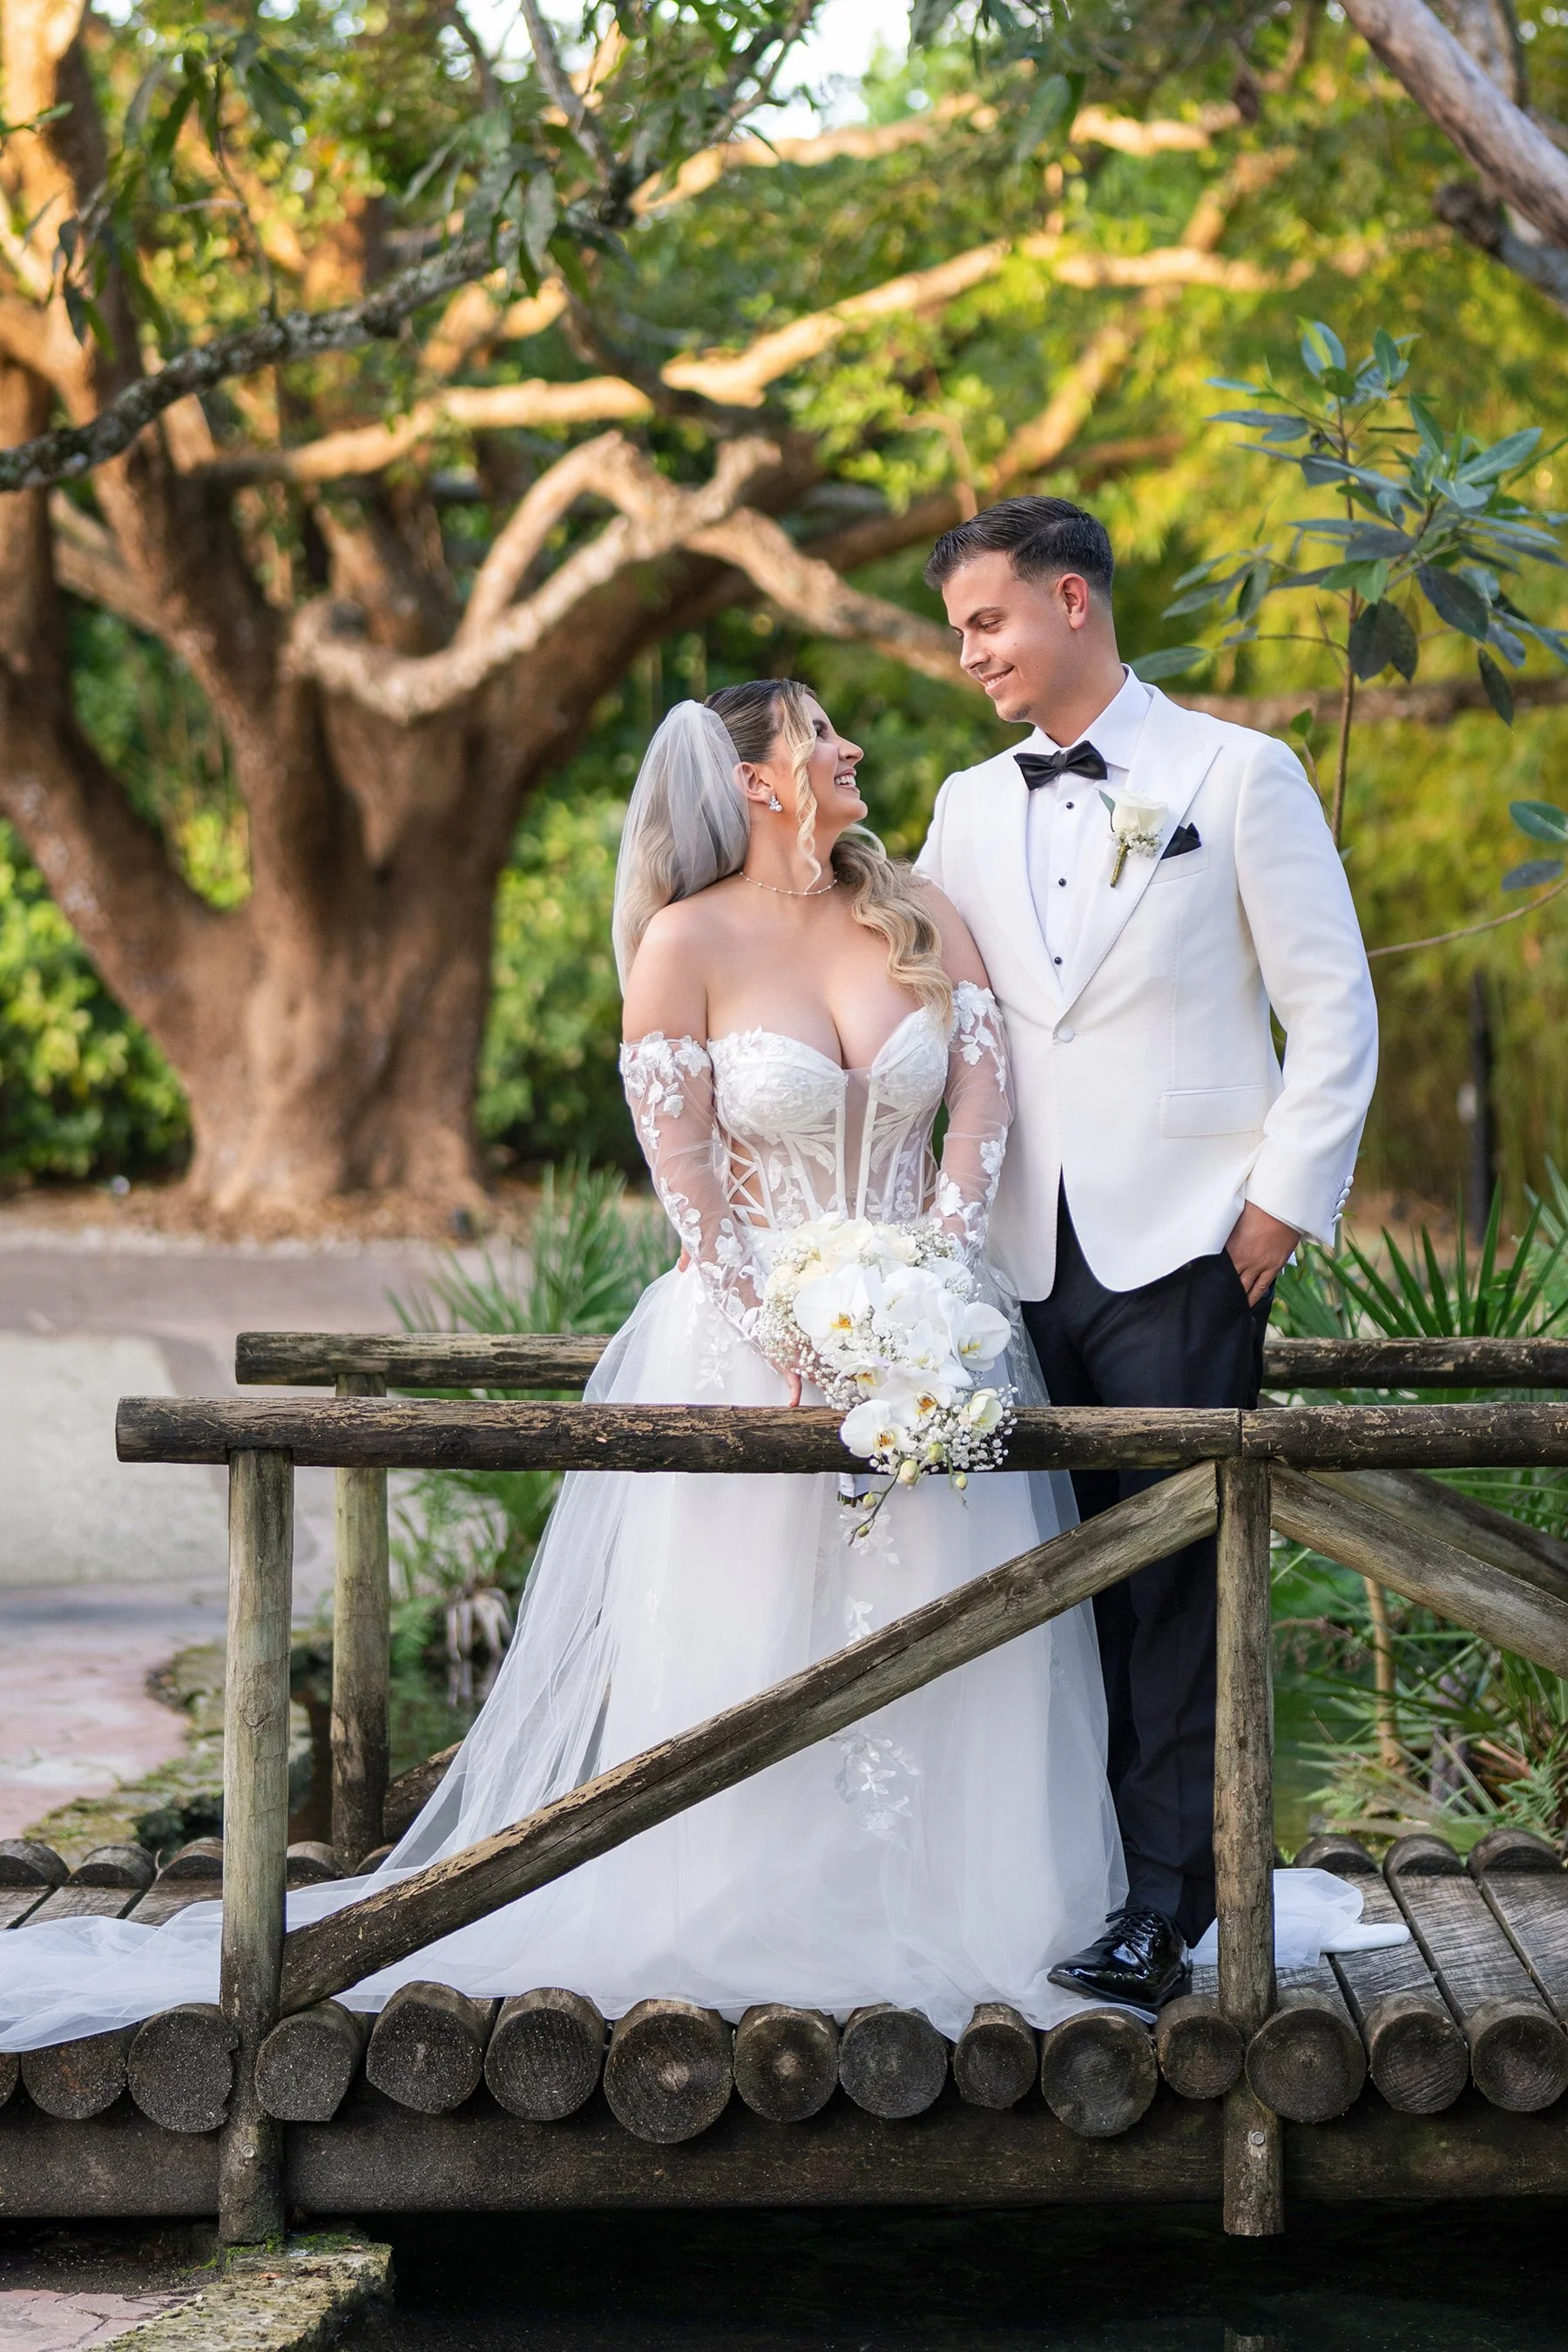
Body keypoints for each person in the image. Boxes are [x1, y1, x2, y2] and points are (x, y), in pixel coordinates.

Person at [0, 679, 1125, 2053]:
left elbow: (982, 1110)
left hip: (937, 1352)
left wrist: (934, 1288)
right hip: (744, 1344)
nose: (850, 749)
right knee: (746, 1645)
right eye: (820, 733)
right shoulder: (683, 943)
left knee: (946, 1637)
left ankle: (958, 1908)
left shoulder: (918, 912)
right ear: (761, 778)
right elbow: (695, 1195)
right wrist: (802, 1345)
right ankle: (737, 1911)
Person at [915, 497, 1379, 2012]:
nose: (969, 652)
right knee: (1036, 1583)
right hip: (1010, 1255)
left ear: (1069, 599)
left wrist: (1278, 1208)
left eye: (986, 621)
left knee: (1174, 1587)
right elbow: (929, 1002)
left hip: (1188, 1247)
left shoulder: (1240, 776)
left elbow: (1335, 1011)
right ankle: (1048, 1879)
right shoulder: (967, 806)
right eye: (959, 631)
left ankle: (1164, 1913)